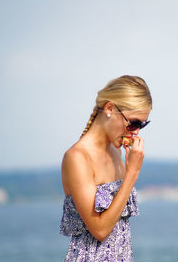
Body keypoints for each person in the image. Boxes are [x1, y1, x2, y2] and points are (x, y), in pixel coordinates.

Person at [59, 75, 152, 261]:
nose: (136, 132)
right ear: (110, 108)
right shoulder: (77, 157)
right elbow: (100, 230)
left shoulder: (117, 152)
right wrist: (132, 173)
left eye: (142, 124)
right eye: (133, 123)